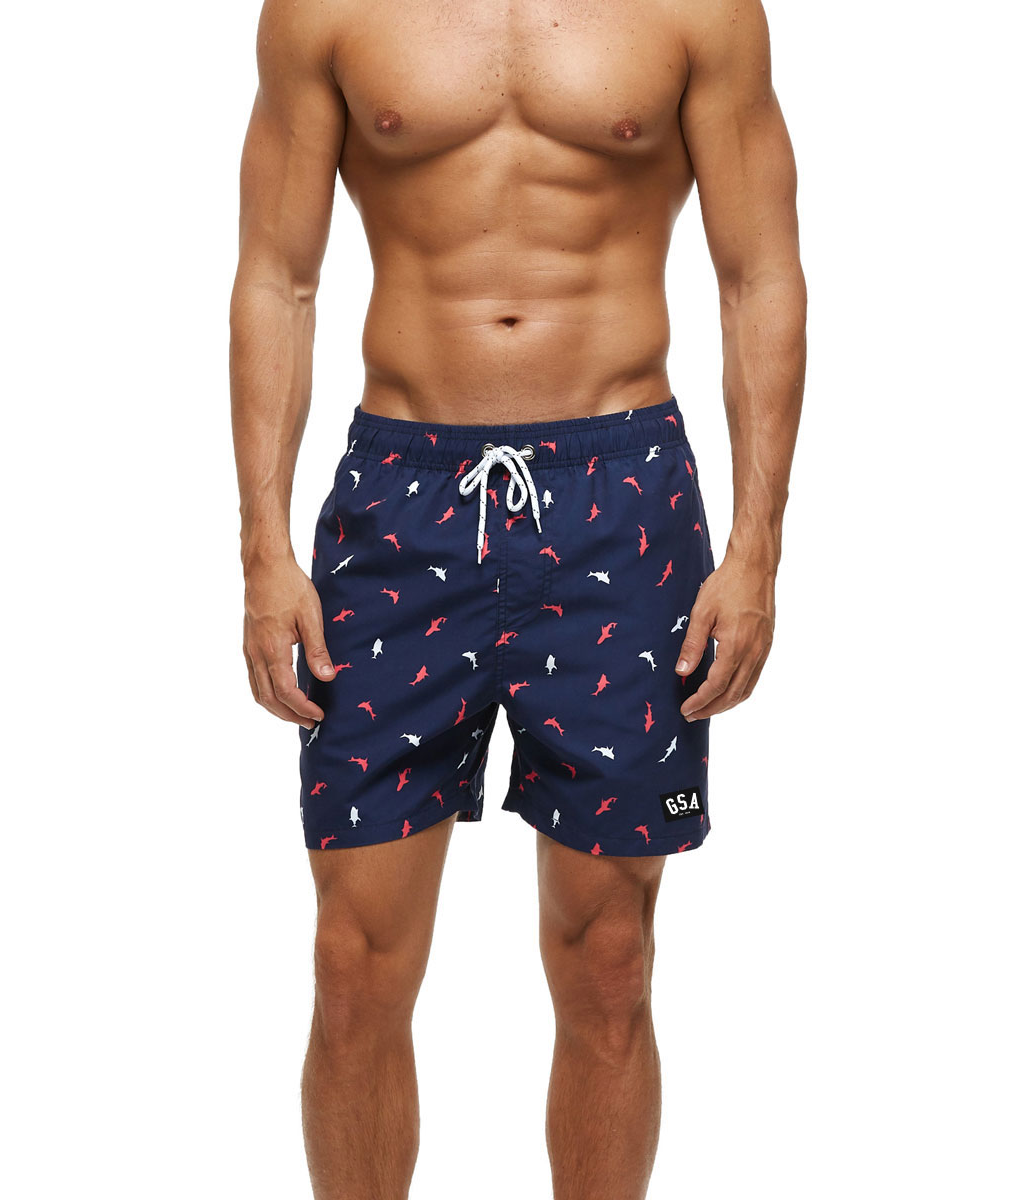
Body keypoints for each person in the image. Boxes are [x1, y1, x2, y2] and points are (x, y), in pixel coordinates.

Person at [229, 0, 805, 1194]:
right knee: (352, 962)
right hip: (402, 499)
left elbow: (758, 277)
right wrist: (263, 553)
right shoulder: (324, 10)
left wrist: (757, 547)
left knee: (610, 959)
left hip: (620, 497)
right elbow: (279, 278)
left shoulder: (699, 10)